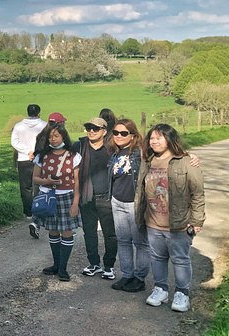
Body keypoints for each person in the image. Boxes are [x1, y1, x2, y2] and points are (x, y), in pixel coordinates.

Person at [138, 124, 205, 312]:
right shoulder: (148, 161)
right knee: (157, 257)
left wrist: (197, 220)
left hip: (178, 224)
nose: (155, 141)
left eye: (159, 137)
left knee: (180, 259)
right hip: (153, 222)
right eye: (152, 138)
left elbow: (197, 193)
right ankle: (160, 289)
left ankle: (182, 293)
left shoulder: (185, 162)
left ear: (169, 139)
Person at [31, 115, 81, 282]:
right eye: (51, 136)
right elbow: (35, 178)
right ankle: (56, 264)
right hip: (48, 197)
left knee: (66, 231)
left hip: (67, 196)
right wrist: (46, 181)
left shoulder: (73, 156)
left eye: (56, 136)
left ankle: (63, 268)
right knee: (53, 231)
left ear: (63, 137)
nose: (53, 139)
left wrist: (76, 202)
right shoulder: (42, 155)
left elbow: (77, 182)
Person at [107, 118, 149, 293]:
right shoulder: (114, 153)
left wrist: (189, 157)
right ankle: (127, 275)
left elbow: (167, 156)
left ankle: (139, 278)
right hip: (117, 201)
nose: (119, 136)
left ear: (132, 135)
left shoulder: (141, 152)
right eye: (116, 132)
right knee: (123, 240)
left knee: (140, 242)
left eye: (124, 133)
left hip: (135, 203)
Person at [74, 117, 117, 280]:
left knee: (110, 233)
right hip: (87, 196)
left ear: (104, 131)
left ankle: (109, 266)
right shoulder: (79, 146)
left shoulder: (112, 147)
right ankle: (94, 264)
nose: (91, 131)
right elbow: (59, 153)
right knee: (89, 232)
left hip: (107, 196)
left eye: (95, 128)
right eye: (88, 127)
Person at [11, 104, 47, 235]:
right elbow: (47, 141)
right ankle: (39, 210)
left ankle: (28, 212)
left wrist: (27, 152)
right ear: (38, 113)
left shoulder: (19, 126)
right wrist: (36, 152)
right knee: (39, 185)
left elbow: (14, 142)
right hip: (41, 159)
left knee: (25, 187)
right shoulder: (44, 125)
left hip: (23, 159)